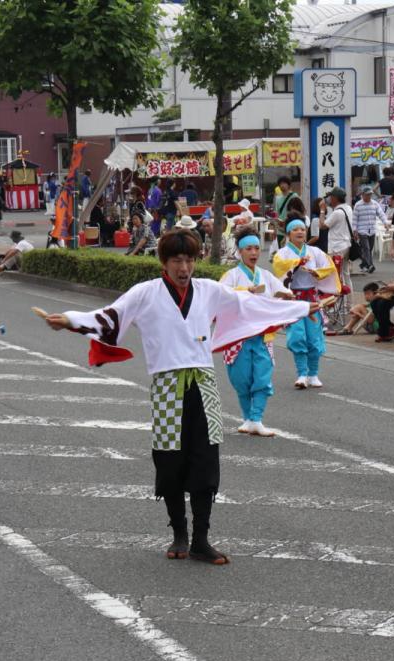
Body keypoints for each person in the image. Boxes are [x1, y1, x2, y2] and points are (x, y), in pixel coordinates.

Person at [43, 229, 311, 564]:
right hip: (167, 385)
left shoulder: (210, 290)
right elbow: (110, 316)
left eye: (189, 260)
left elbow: (248, 305)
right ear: (164, 262)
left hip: (203, 382)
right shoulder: (146, 293)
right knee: (170, 461)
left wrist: (297, 307)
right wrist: (69, 320)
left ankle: (201, 538)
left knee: (205, 459)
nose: (184, 268)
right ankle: (179, 533)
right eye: (176, 260)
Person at [219, 229, 297, 436]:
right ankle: (247, 418)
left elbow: (283, 291)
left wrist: (286, 295)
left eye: (256, 248)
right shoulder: (232, 276)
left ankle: (256, 418)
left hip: (263, 336)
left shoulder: (266, 275)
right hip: (238, 338)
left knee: (262, 378)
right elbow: (219, 296)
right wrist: (245, 292)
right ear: (240, 251)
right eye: (248, 248)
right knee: (242, 380)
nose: (253, 252)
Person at [272, 217, 336, 388]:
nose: (300, 232)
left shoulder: (315, 252)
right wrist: (296, 263)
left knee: (314, 337)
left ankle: (313, 374)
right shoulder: (283, 254)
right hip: (293, 299)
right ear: (288, 234)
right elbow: (279, 268)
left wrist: (317, 273)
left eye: (302, 228)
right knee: (297, 336)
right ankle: (301, 374)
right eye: (295, 229)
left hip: (311, 299)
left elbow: (329, 267)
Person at [353, 185, 385, 274]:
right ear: (362, 195)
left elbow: (381, 214)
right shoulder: (358, 205)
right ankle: (370, 265)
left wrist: (385, 223)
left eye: (370, 194)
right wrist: (354, 230)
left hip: (372, 230)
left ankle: (363, 264)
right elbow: (354, 218)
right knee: (366, 248)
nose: (369, 196)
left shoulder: (375, 204)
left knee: (369, 248)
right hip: (362, 230)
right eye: (367, 195)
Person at [324, 187, 355, 278]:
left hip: (336, 247)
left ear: (335, 198)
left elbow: (323, 226)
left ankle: (339, 292)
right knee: (345, 273)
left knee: (336, 274)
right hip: (346, 245)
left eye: (331, 197)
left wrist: (322, 210)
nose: (329, 199)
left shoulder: (337, 213)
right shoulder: (348, 208)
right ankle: (349, 292)